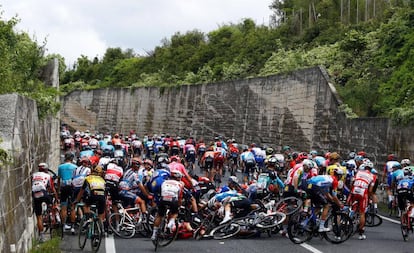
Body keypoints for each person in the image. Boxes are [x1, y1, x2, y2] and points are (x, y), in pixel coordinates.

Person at [305, 168, 345, 232]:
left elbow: (326, 193)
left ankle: (307, 221)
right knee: (326, 205)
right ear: (339, 175)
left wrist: (332, 199)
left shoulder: (328, 178)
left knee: (317, 207)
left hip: (308, 186)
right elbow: (334, 196)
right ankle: (321, 227)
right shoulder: (335, 181)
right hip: (315, 188)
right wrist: (339, 204)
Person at [150, 170, 185, 241]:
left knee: (159, 215)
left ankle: (154, 234)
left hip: (163, 198)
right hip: (173, 199)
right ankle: (171, 223)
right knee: (175, 212)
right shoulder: (180, 184)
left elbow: (160, 192)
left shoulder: (164, 182)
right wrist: (179, 206)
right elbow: (180, 197)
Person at [346, 163, 375, 240]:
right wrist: (369, 198)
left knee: (349, 206)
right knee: (362, 213)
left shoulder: (358, 172)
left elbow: (352, 182)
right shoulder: (372, 176)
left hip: (354, 189)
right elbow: (370, 190)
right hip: (363, 192)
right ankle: (361, 233)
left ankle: (346, 220)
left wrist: (351, 190)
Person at [32, 163, 59, 242]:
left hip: (35, 194)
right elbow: (51, 188)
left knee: (39, 216)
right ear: (46, 169)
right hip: (43, 192)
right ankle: (53, 215)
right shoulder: (48, 176)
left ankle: (41, 235)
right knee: (52, 203)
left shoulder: (34, 175)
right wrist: (56, 198)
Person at [58, 153, 78, 233]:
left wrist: (59, 189)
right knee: (73, 207)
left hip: (63, 187)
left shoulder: (60, 167)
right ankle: (73, 227)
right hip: (72, 187)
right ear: (72, 159)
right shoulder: (75, 167)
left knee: (63, 207)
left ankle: (63, 225)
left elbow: (59, 179)